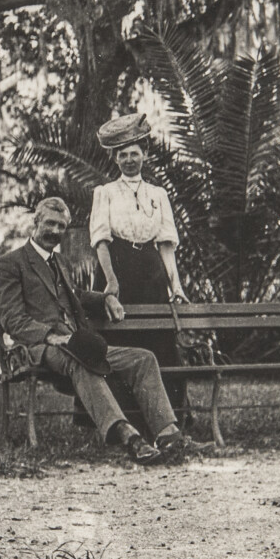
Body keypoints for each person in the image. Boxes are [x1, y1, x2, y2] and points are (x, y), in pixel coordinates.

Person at [0, 197, 204, 464]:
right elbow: (12, 318)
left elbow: (75, 295)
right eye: (50, 223)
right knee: (82, 360)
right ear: (35, 222)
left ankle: (169, 435)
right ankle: (129, 436)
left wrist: (105, 299)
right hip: (39, 348)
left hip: (77, 343)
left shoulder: (60, 262)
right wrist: (50, 335)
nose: (55, 231)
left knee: (143, 358)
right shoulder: (11, 263)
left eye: (61, 226)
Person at [90, 112, 189, 414]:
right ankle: (121, 417)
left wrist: (177, 287)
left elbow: (166, 244)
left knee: (159, 342)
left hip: (150, 272)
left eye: (135, 153)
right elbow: (101, 240)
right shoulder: (104, 193)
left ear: (145, 155)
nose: (130, 159)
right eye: (123, 155)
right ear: (115, 159)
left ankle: (167, 416)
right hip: (116, 267)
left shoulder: (158, 195)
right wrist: (110, 281)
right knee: (116, 341)